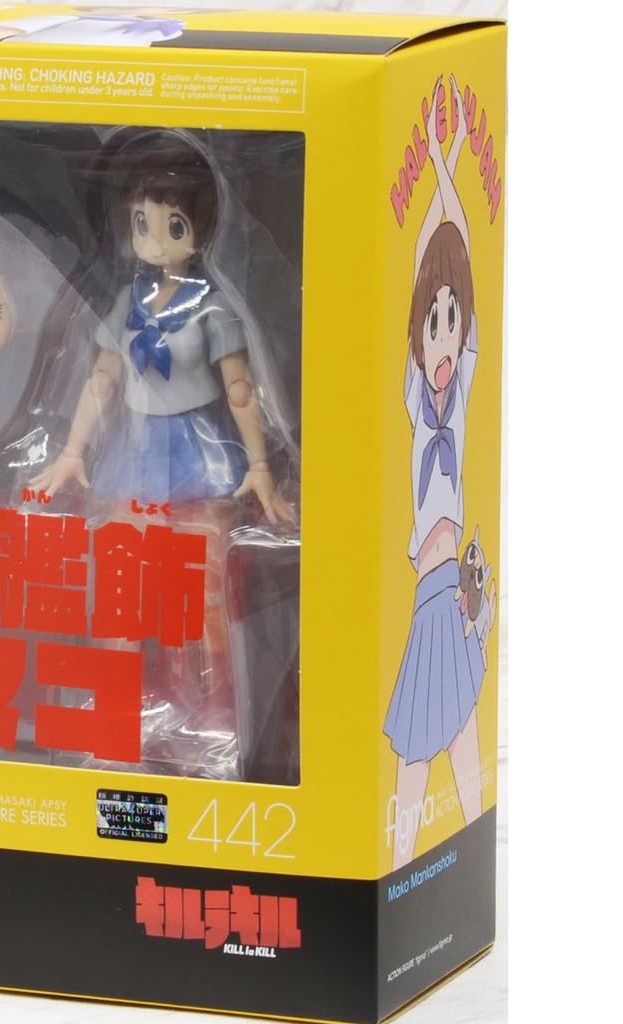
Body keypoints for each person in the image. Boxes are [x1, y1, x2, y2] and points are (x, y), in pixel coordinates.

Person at [31, 134, 292, 779]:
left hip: (200, 458)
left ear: (199, 231)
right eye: (141, 224)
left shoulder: (214, 308)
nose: (152, 239)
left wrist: (261, 468)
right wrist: (71, 451)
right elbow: (102, 380)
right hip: (133, 455)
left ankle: (212, 726)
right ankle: (114, 721)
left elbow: (240, 390)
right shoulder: (127, 303)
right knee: (121, 594)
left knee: (205, 600)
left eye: (171, 225)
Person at [383, 76, 485, 868]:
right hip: (428, 598)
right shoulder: (420, 407)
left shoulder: (461, 396)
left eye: (451, 321)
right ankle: (396, 877)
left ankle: (459, 869)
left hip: (453, 592)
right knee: (424, 751)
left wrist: (449, 166)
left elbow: (460, 255)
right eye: (432, 322)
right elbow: (428, 258)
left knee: (462, 739)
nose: (443, 336)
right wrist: (440, 168)